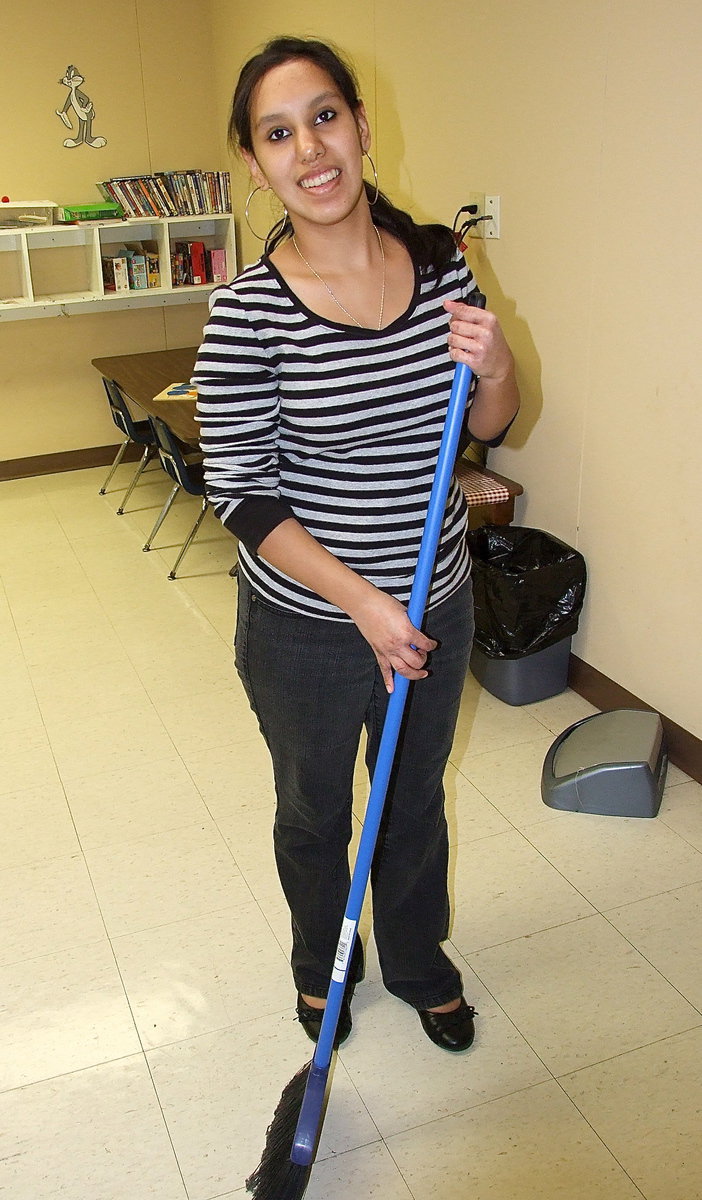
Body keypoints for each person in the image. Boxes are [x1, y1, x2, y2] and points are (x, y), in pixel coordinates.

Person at [193, 36, 519, 1052]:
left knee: (412, 796)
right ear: (256, 163)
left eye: (325, 117)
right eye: (278, 133)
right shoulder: (246, 314)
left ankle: (420, 960)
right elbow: (242, 494)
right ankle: (318, 966)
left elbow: (491, 422)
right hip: (310, 626)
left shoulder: (440, 267)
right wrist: (366, 605)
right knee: (314, 811)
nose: (311, 149)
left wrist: (499, 358)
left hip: (438, 596)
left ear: (362, 128)